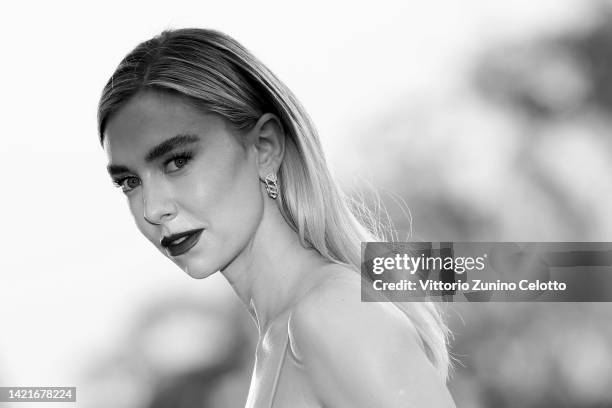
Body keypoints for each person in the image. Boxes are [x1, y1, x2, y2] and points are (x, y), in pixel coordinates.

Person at [98, 28, 457, 407]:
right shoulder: (281, 337)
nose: (153, 209)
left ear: (265, 147)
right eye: (130, 182)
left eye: (178, 161)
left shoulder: (332, 313)